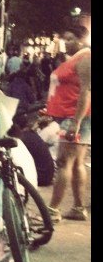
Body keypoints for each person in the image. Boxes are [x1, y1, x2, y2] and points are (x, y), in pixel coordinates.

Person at [46, 25, 91, 222]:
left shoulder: (85, 58)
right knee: (76, 163)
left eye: (71, 39)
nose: (67, 43)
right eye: (66, 39)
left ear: (81, 40)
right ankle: (78, 208)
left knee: (64, 162)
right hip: (70, 117)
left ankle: (53, 209)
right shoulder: (75, 58)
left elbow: (86, 91)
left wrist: (76, 122)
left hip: (74, 118)